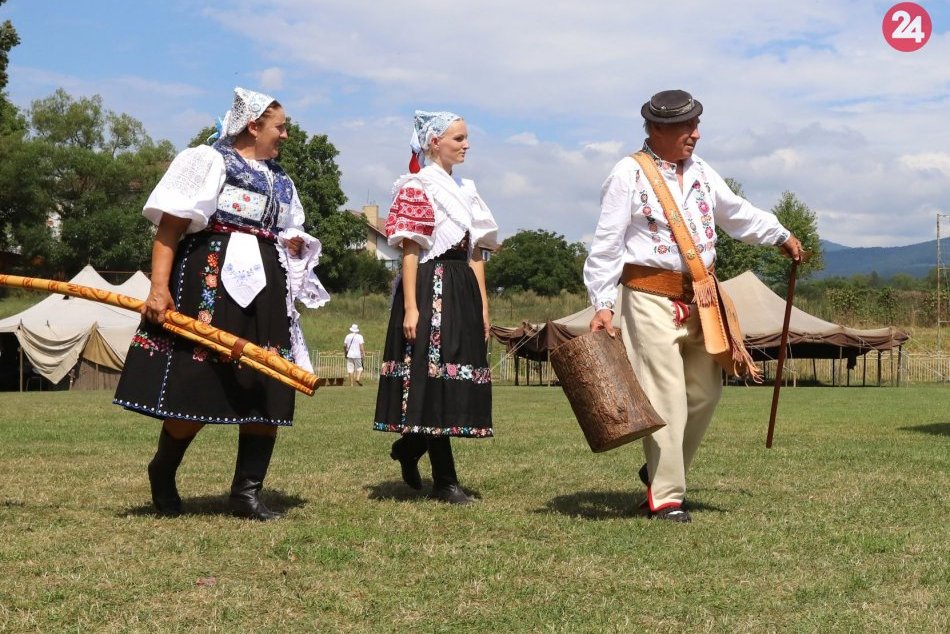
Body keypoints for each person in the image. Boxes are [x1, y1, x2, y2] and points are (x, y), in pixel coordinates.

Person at [584, 89, 803, 523]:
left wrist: (780, 234)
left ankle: (662, 468)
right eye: (687, 127)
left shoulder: (701, 171)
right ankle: (665, 499)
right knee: (665, 397)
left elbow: (737, 213)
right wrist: (602, 303)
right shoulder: (628, 173)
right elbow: (606, 244)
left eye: (696, 125)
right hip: (648, 296)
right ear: (658, 130)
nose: (696, 135)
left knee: (706, 392)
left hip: (703, 298)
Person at [114, 87, 329, 520]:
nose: (286, 135)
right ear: (253, 125)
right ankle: (163, 470)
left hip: (267, 292)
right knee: (200, 381)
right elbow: (171, 229)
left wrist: (296, 246)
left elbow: (291, 233)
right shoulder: (209, 160)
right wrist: (159, 287)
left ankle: (246, 494)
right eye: (280, 127)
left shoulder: (282, 181)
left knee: (268, 378)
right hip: (209, 283)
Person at [373, 110, 499, 504]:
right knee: (433, 377)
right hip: (431, 287)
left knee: (450, 377)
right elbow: (410, 251)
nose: (466, 145)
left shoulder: (466, 190)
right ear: (434, 142)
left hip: (461, 287)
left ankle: (410, 448)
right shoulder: (417, 186)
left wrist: (483, 305)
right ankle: (445, 481)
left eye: (465, 138)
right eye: (458, 138)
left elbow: (476, 252)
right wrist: (411, 307)